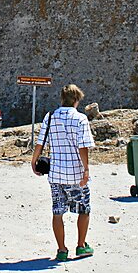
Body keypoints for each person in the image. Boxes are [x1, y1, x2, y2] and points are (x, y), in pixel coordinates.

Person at [31, 84, 95, 262]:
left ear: (62, 98)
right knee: (84, 209)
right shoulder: (81, 119)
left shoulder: (50, 117)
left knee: (57, 212)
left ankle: (61, 250)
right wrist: (86, 170)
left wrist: (33, 161)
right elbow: (83, 147)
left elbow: (40, 142)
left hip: (56, 174)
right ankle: (81, 246)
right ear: (76, 100)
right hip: (75, 173)